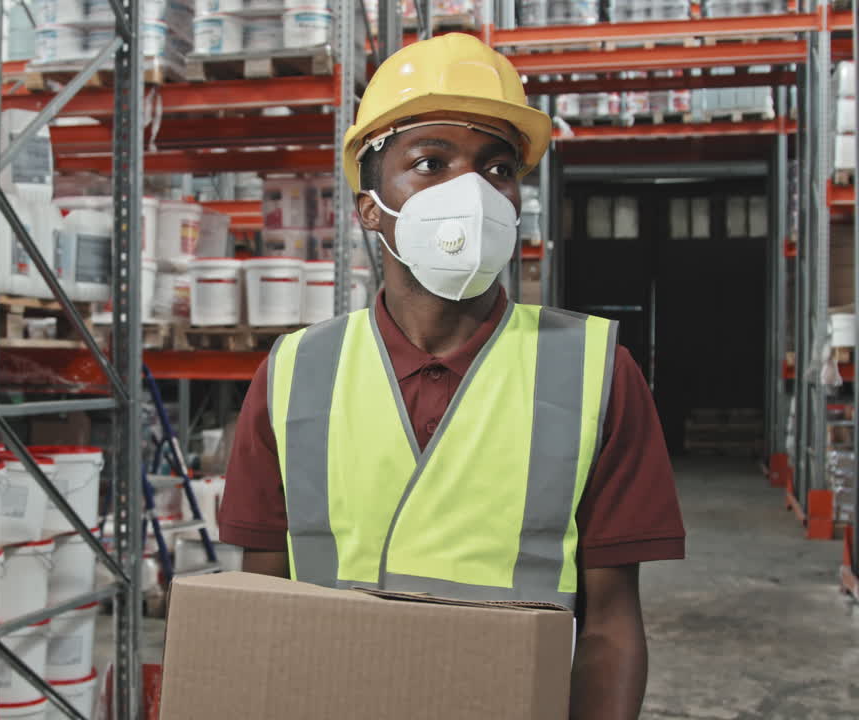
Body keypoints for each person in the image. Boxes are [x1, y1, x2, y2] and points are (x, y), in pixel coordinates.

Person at [217, 33, 685, 720]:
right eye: (431, 163)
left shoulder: (594, 372)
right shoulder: (293, 375)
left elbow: (612, 626)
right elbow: (265, 611)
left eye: (497, 169)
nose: (473, 192)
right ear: (370, 207)